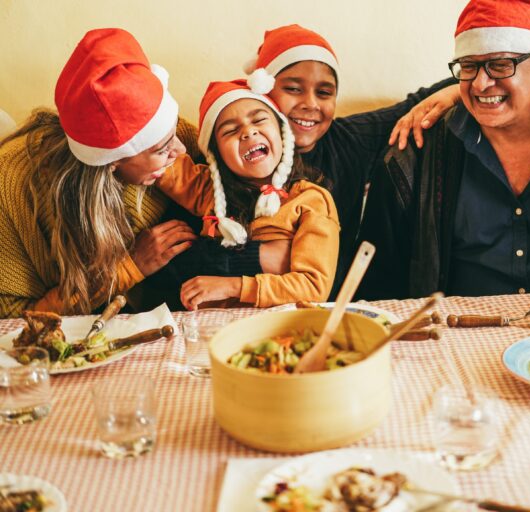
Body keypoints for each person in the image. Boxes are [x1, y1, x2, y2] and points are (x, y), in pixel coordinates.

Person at [356, 0, 530, 300]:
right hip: (451, 338)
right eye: (469, 66)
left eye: (500, 65)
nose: (481, 83)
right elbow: (377, 287)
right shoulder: (420, 152)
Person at [240, 25, 458, 295]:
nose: (311, 104)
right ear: (263, 90)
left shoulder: (349, 141)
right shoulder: (235, 150)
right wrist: (257, 256)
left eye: (324, 93)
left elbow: (428, 98)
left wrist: (454, 93)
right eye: (294, 89)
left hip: (332, 310)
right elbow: (194, 254)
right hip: (247, 305)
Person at [0, 28, 199, 318]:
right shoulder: (13, 190)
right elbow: (13, 319)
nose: (181, 151)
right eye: (162, 148)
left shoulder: (165, 133)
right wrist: (129, 267)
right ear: (112, 162)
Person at [156, 74, 339, 310]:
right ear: (216, 154)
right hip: (212, 326)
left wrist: (232, 286)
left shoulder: (311, 200)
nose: (248, 132)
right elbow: (158, 157)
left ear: (283, 134)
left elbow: (313, 287)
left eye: (259, 120)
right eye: (230, 131)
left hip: (279, 326)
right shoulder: (207, 189)